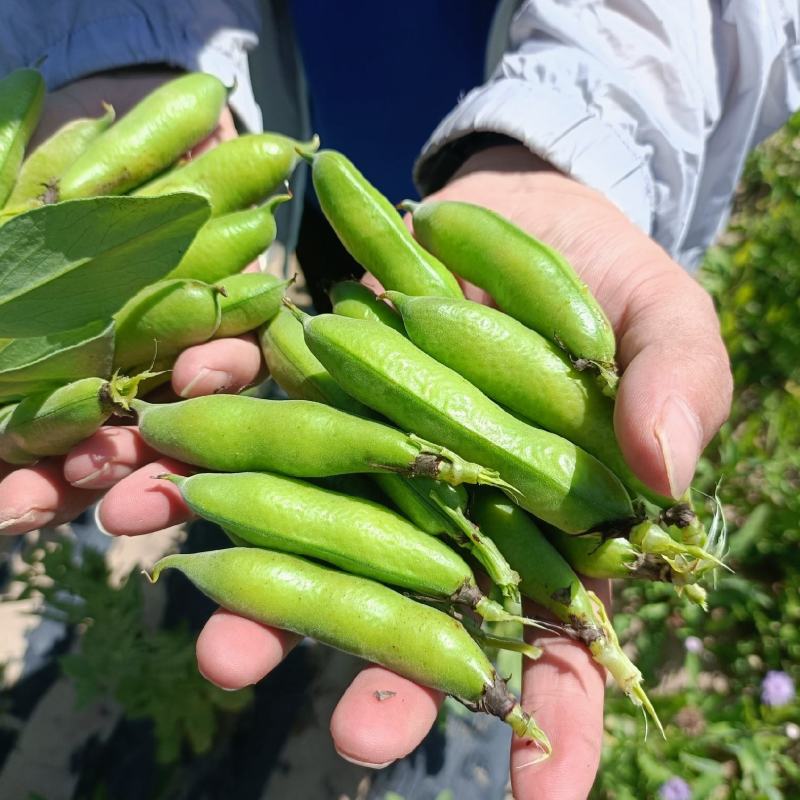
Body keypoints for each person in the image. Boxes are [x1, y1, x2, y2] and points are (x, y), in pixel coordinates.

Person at [5, 1, 799, 797]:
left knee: (350, 314)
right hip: (320, 86)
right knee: (338, 294)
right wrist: (114, 32)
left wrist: (582, 131)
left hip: (526, 119)